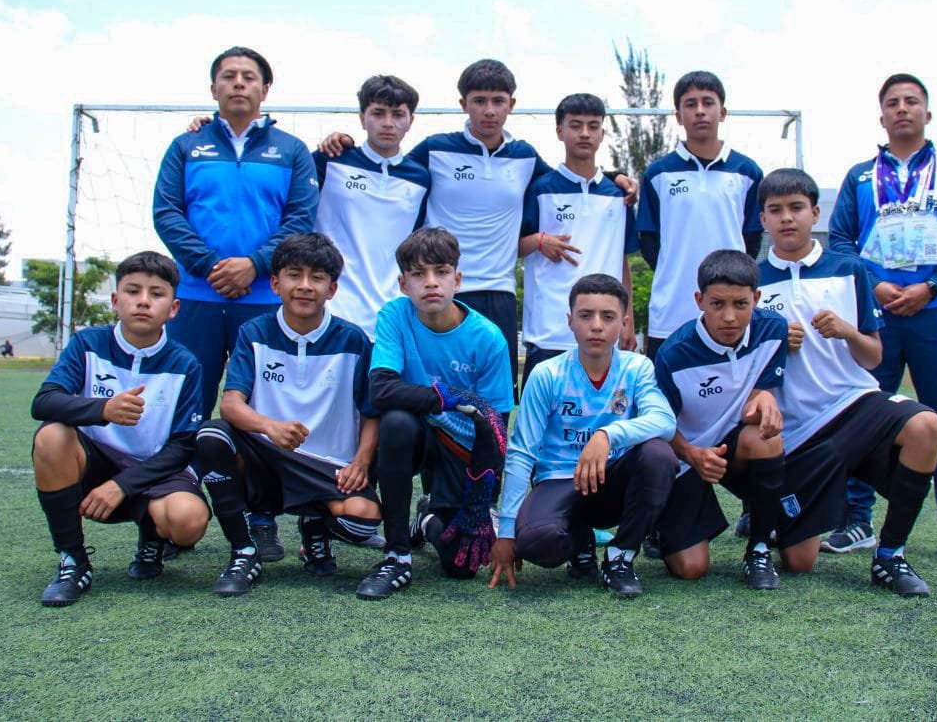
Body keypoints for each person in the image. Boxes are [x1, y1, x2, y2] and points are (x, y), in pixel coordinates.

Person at [319, 59, 636, 390]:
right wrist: (344, 143)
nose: (489, 110)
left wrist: (614, 178)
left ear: (511, 104)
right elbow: (389, 164)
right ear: (463, 104)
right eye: (479, 101)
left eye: (498, 101)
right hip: (441, 288)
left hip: (499, 291)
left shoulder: (524, 156)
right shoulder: (435, 149)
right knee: (434, 389)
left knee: (494, 395)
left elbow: (570, 178)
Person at [153, 46, 318, 563]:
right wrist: (210, 266)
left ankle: (261, 519)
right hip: (197, 297)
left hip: (264, 300)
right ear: (214, 88)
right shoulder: (186, 147)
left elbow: (300, 218)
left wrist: (255, 264)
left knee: (260, 412)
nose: (239, 83)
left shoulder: (291, 151)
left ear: (266, 89)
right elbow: (166, 212)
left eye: (249, 77)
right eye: (229, 76)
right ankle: (166, 516)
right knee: (184, 407)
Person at [827, 73, 937, 566]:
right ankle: (856, 520)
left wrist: (932, 285)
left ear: (927, 113)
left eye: (911, 101)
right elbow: (840, 240)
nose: (902, 109)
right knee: (863, 415)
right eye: (893, 102)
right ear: (881, 117)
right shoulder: (860, 176)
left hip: (933, 311)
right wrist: (872, 283)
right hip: (876, 313)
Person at [758, 168, 937, 596]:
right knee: (799, 562)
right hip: (796, 430)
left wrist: (847, 331)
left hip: (854, 404)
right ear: (763, 220)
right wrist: (773, 341)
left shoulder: (849, 269)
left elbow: (873, 356)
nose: (787, 218)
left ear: (815, 213)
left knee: (926, 424)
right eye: (775, 210)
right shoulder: (752, 279)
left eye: (796, 207)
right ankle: (784, 514)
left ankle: (890, 555)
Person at [195, 233, 382, 597]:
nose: (305, 286)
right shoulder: (254, 332)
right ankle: (244, 551)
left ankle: (315, 526)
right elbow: (230, 404)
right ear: (275, 283)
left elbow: (370, 411)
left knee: (361, 522)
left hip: (328, 465)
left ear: (332, 288)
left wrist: (360, 462)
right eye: (295, 275)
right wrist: (270, 427)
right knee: (212, 436)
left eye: (317, 277)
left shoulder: (353, 339)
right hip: (267, 458)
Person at [29, 251, 208, 607]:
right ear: (115, 300)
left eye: (156, 294)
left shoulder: (185, 363)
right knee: (52, 436)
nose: (143, 301)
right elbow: (44, 401)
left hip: (155, 469)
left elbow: (183, 446)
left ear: (173, 308)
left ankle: (152, 536)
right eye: (132, 291)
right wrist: (103, 410)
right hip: (95, 461)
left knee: (188, 521)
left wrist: (121, 485)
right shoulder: (88, 344)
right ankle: (73, 560)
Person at [488, 274, 676, 598]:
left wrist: (607, 435)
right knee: (536, 544)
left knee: (659, 455)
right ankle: (579, 540)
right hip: (559, 480)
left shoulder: (638, 368)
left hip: (612, 481)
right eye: (586, 315)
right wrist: (506, 533)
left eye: (608, 316)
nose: (596, 326)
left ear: (624, 323)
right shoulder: (547, 373)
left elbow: (664, 421)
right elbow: (521, 452)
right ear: (570, 321)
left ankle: (620, 557)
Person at [357, 227, 515, 600]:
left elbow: (494, 428)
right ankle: (397, 554)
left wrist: (481, 502)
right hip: (416, 436)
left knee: (460, 566)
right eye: (418, 274)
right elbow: (381, 390)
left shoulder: (489, 338)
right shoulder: (395, 315)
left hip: (462, 449)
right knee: (396, 421)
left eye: (441, 272)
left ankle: (427, 516)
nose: (431, 282)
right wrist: (449, 397)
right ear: (403, 284)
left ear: (456, 280)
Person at [652, 250, 793, 591]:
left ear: (756, 299)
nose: (729, 317)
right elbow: (659, 424)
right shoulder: (673, 354)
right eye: (717, 304)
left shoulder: (773, 330)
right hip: (688, 456)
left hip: (735, 449)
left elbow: (759, 391)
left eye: (740, 304)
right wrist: (692, 454)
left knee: (765, 437)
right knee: (691, 568)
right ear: (699, 301)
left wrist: (764, 397)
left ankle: (759, 548)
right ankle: (658, 523)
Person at [637, 71, 764, 360]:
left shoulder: (747, 171)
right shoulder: (658, 173)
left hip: (728, 315)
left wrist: (729, 282)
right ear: (678, 116)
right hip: (671, 311)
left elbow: (752, 238)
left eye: (708, 102)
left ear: (723, 112)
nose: (700, 111)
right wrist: (676, 272)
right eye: (690, 104)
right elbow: (649, 241)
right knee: (666, 388)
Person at [518, 94, 638, 387]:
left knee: (604, 412)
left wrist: (629, 320)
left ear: (602, 133)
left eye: (593, 126)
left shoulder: (619, 195)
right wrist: (539, 240)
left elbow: (622, 260)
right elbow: (513, 246)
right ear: (560, 131)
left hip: (604, 332)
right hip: (548, 333)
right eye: (575, 125)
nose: (585, 133)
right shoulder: (539, 188)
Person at [312, 75, 430, 338]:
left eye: (398, 114)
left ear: (411, 121)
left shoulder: (421, 178)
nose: (388, 123)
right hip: (331, 310)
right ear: (362, 118)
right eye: (378, 113)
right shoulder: (329, 160)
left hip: (390, 316)